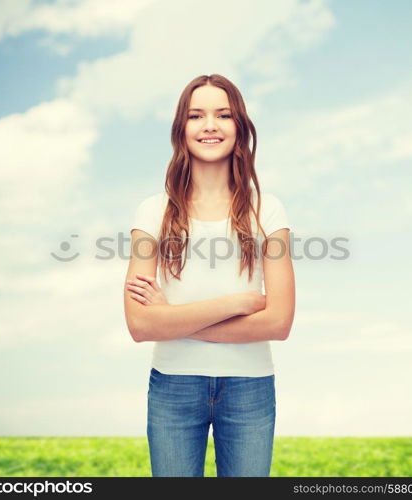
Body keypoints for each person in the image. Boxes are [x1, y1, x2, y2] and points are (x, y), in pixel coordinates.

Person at [124, 74, 295, 477]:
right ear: (181, 130)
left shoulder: (267, 211)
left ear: (240, 127)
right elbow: (140, 323)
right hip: (173, 385)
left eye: (224, 114)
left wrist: (174, 318)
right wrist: (234, 304)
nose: (210, 125)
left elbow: (279, 322)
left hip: (249, 386)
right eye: (196, 115)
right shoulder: (152, 213)